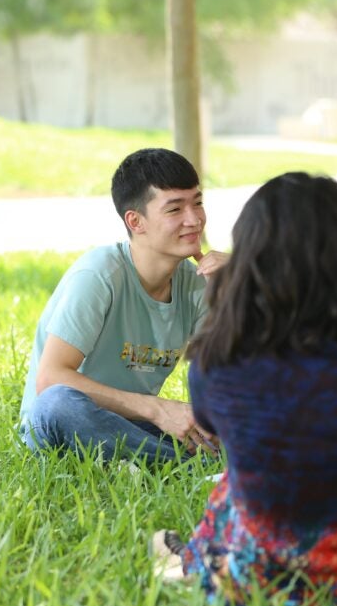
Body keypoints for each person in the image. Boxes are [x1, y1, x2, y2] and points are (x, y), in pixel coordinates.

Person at [151, 173, 337, 606]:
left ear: (247, 261)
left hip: (249, 582)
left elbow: (211, 423)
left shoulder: (216, 360)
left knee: (237, 483)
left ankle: (188, 561)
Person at [19, 148, 228, 463]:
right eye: (175, 209)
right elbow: (50, 379)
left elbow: (236, 377)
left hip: (134, 426)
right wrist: (159, 409)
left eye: (197, 202)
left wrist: (242, 288)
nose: (194, 218)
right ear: (136, 221)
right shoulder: (99, 274)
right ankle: (184, 468)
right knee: (58, 403)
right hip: (65, 423)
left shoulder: (197, 280)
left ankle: (158, 462)